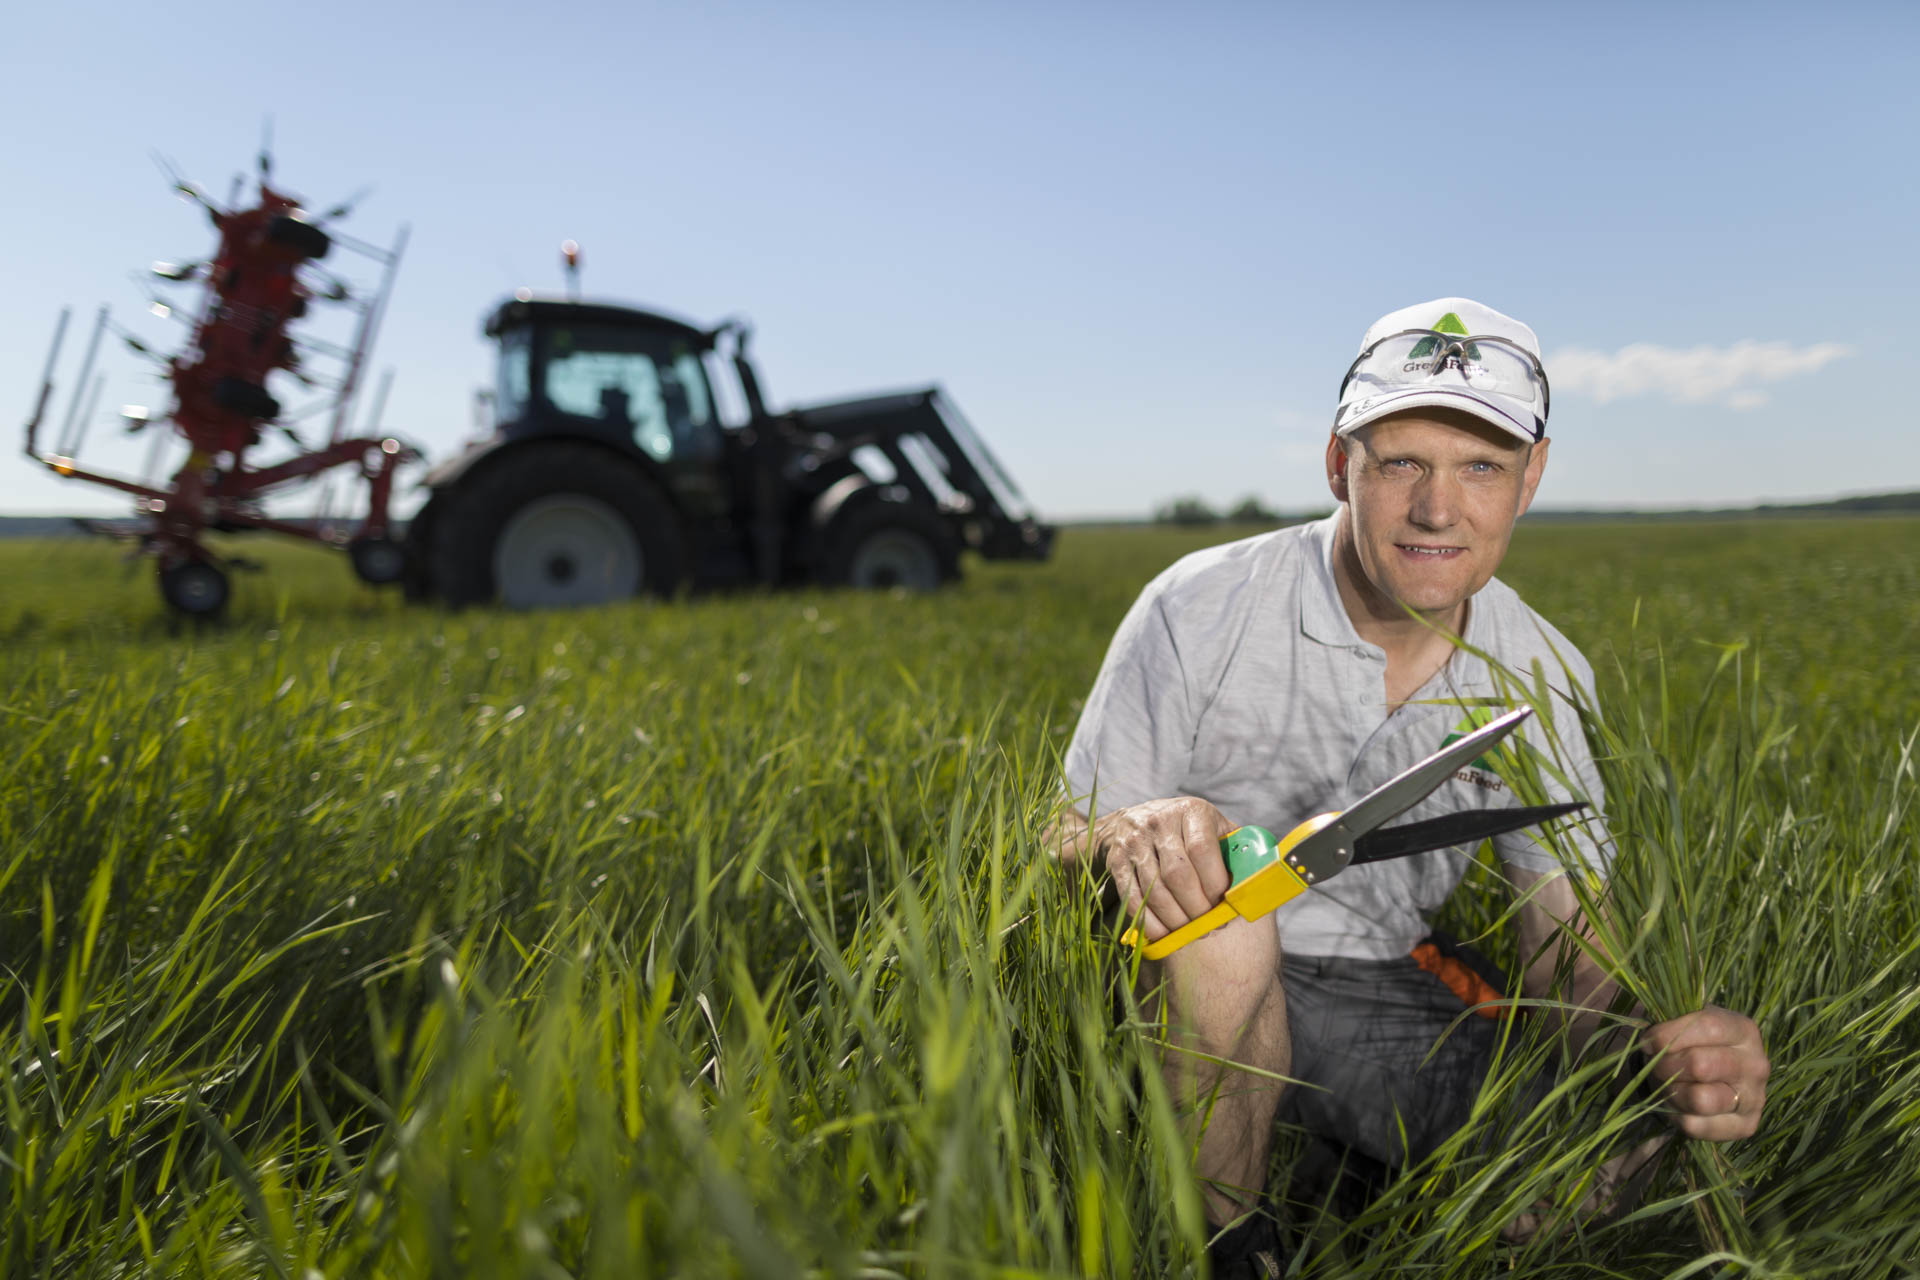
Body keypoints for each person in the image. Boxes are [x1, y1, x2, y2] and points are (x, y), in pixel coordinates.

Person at [1050, 298, 1771, 1275]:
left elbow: (1567, 944)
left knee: (1595, 1175)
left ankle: (1326, 1163)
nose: (1440, 508)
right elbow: (1065, 828)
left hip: (1374, 981)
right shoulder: (1198, 602)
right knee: (1226, 930)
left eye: (1482, 467)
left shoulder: (1541, 673)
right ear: (1341, 462)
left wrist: (1666, 1059)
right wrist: (1133, 829)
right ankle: (1220, 1244)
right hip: (1176, 966)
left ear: (1532, 479)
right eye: (1403, 463)